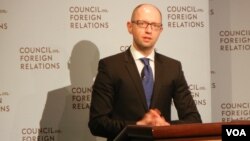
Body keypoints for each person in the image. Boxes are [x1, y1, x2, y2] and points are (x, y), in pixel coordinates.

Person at [88, 3, 202, 141]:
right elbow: (97, 123)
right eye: (142, 23)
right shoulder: (110, 66)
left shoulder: (173, 67)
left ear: (161, 30)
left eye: (155, 25)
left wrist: (165, 126)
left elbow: (194, 119)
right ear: (130, 27)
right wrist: (137, 126)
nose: (149, 30)